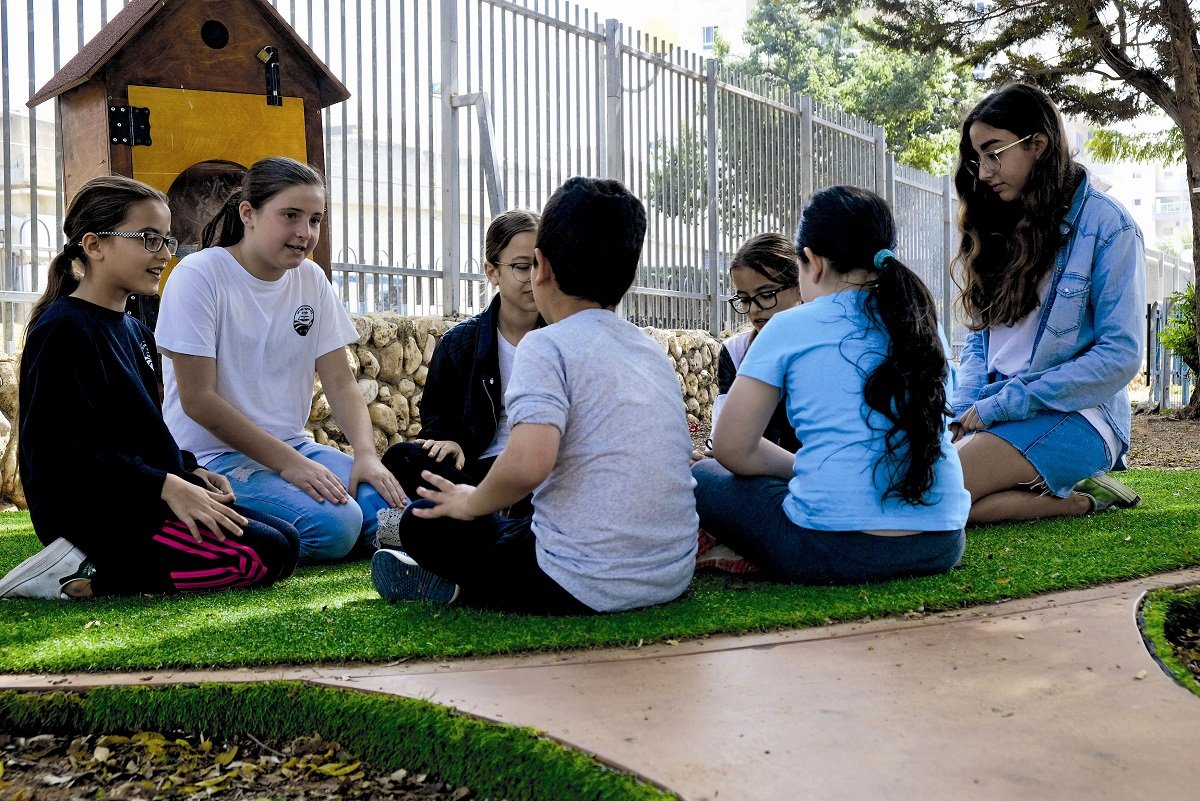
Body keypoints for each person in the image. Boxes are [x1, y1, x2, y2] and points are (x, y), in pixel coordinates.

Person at [370, 176, 698, 614]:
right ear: (631, 275)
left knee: (422, 524)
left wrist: (472, 502)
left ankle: (460, 588)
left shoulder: (546, 344)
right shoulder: (647, 348)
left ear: (541, 266)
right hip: (671, 572)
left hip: (582, 581)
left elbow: (528, 465)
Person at [0, 176, 299, 600]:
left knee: (286, 541)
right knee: (259, 556)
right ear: (94, 245)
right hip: (93, 512)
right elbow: (63, 456)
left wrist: (190, 470)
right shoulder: (63, 329)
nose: (163, 255)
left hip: (143, 495)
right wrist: (165, 485)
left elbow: (141, 434)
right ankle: (81, 580)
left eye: (167, 241)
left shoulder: (137, 331)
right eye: (148, 239)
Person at [692, 186, 970, 584]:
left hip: (828, 548)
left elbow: (732, 447)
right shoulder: (925, 327)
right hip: (940, 542)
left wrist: (799, 470)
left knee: (704, 477)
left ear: (812, 262)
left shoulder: (789, 327)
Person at [155, 157, 405, 563]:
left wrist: (366, 456)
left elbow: (341, 382)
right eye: (291, 215)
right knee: (336, 525)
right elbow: (198, 400)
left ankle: (307, 528)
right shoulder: (198, 275)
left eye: (315, 219)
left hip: (295, 447)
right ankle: (204, 524)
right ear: (248, 214)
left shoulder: (312, 279)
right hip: (212, 457)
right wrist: (290, 466)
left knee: (392, 511)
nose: (305, 233)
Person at [951, 83, 1145, 524]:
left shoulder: (1108, 227)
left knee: (935, 495)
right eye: (977, 158)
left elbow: (1121, 355)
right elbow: (981, 342)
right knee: (930, 491)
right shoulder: (997, 223)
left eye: (994, 152)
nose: (983, 172)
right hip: (995, 408)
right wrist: (965, 409)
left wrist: (1003, 405)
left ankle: (1071, 481)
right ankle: (1080, 498)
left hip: (1079, 415)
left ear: (1038, 144)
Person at [381, 210, 542, 523]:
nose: (535, 278)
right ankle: (494, 515)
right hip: (476, 471)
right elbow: (437, 428)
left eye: (541, 264)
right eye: (523, 267)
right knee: (402, 457)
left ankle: (482, 521)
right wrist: (454, 443)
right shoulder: (460, 343)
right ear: (492, 271)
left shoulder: (563, 337)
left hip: (536, 471)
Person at [712, 232, 802, 453]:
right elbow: (722, 434)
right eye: (744, 299)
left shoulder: (822, 348)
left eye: (766, 294)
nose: (754, 309)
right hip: (754, 470)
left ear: (799, 287)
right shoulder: (736, 352)